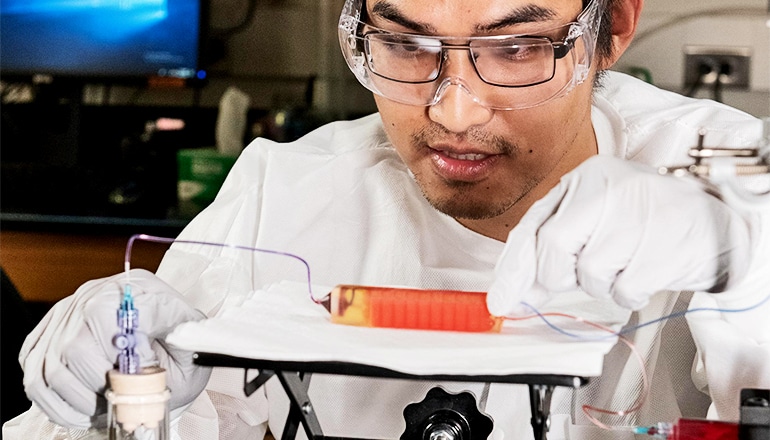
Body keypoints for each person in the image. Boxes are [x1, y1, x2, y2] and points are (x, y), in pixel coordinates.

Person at [4, 0, 769, 438]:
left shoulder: (730, 167)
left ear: (614, 28)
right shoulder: (290, 189)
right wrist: (111, 397)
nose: (453, 109)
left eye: (516, 47)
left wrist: (745, 273)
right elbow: (178, 411)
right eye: (404, 45)